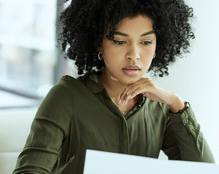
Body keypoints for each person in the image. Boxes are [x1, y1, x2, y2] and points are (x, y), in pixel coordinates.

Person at [13, 0, 215, 173]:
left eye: (145, 42)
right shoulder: (67, 96)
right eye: (119, 41)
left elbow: (202, 170)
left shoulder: (161, 106)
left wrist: (177, 104)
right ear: (99, 43)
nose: (134, 55)